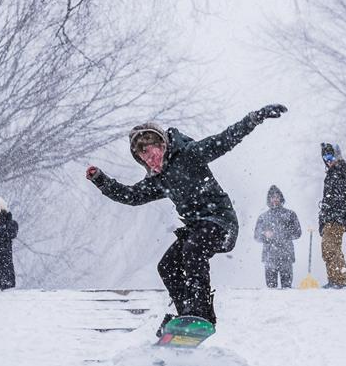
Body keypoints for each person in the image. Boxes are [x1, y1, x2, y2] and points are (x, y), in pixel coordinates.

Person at [86, 104, 287, 334]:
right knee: (167, 265)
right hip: (197, 229)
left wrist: (254, 117)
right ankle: (186, 315)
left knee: (192, 248)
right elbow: (132, 196)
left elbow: (225, 139)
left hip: (221, 223)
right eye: (144, 158)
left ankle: (199, 311)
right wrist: (101, 180)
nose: (151, 161)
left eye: (152, 153)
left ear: (162, 145)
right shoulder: (158, 180)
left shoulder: (189, 155)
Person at [318, 143, 346, 289]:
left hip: (338, 218)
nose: (328, 160)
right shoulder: (330, 174)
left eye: (330, 157)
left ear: (337, 155)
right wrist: (322, 219)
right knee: (327, 249)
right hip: (328, 218)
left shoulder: (345, 170)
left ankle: (341, 280)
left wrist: (345, 215)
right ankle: (333, 279)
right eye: (325, 158)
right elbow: (327, 199)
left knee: (332, 247)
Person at [254, 185, 302, 288]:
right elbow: (256, 236)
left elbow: (298, 233)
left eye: (277, 197)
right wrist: (264, 235)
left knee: (287, 288)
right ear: (269, 199)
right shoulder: (263, 217)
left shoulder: (290, 214)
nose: (275, 199)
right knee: (271, 290)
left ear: (281, 198)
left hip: (286, 256)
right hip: (269, 257)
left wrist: (283, 233)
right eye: (272, 197)